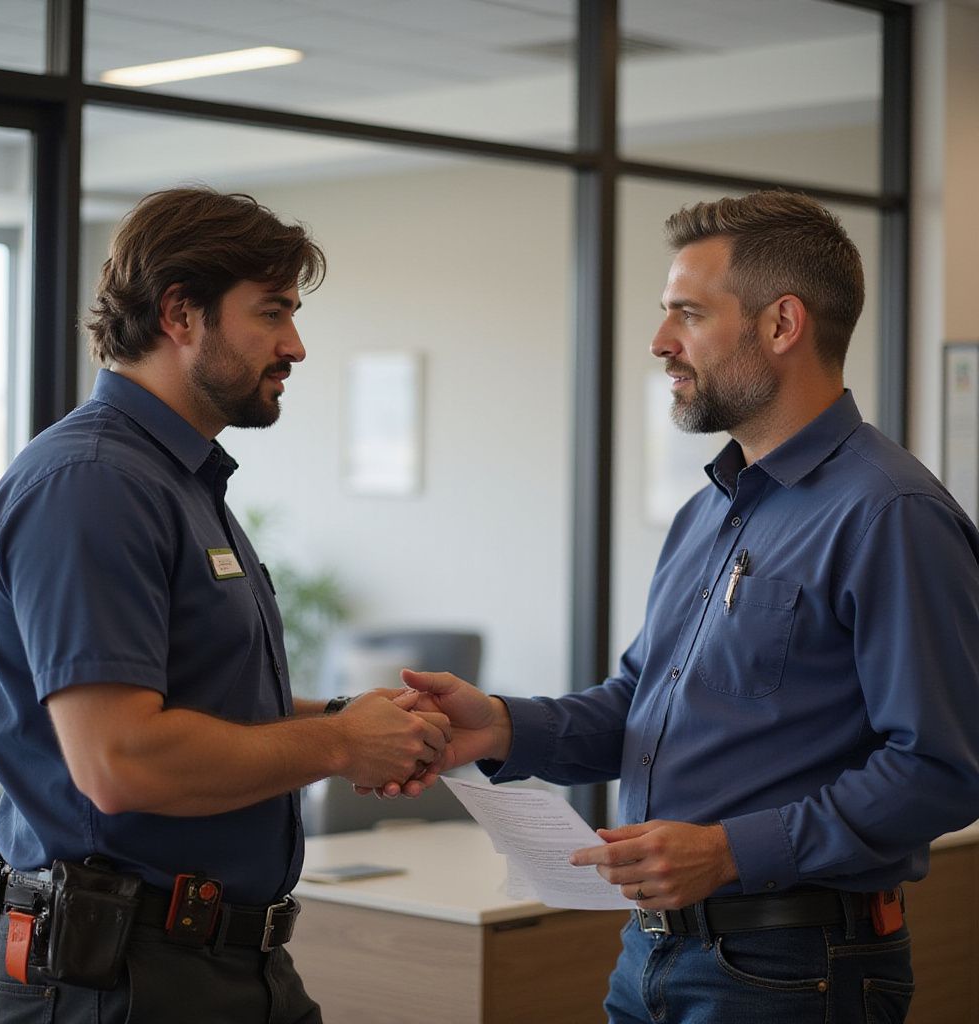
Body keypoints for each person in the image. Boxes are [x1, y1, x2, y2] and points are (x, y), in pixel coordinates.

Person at [396, 190, 979, 1024]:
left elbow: (943, 769)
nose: (660, 342)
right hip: (655, 952)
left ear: (782, 325)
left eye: (688, 314)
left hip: (796, 967)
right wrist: (501, 725)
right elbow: (643, 700)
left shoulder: (889, 513)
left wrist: (729, 852)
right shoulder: (713, 508)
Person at [0, 186, 450, 1024]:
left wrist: (357, 721)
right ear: (181, 314)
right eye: (271, 314)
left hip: (222, 960)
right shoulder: (95, 485)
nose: (294, 345)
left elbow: (203, 702)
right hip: (120, 978)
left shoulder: (174, 480)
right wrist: (336, 742)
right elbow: (122, 761)